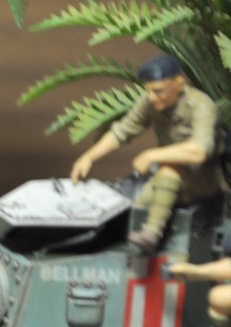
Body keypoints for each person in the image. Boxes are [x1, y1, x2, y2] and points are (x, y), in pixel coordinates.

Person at [69, 54, 222, 254]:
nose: (151, 97)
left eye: (158, 91)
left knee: (168, 170)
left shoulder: (201, 106)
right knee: (141, 205)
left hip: (202, 179)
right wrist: (89, 157)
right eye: (148, 90)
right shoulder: (151, 102)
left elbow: (199, 152)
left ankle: (151, 235)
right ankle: (136, 249)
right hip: (172, 179)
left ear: (179, 83)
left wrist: (151, 156)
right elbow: (123, 130)